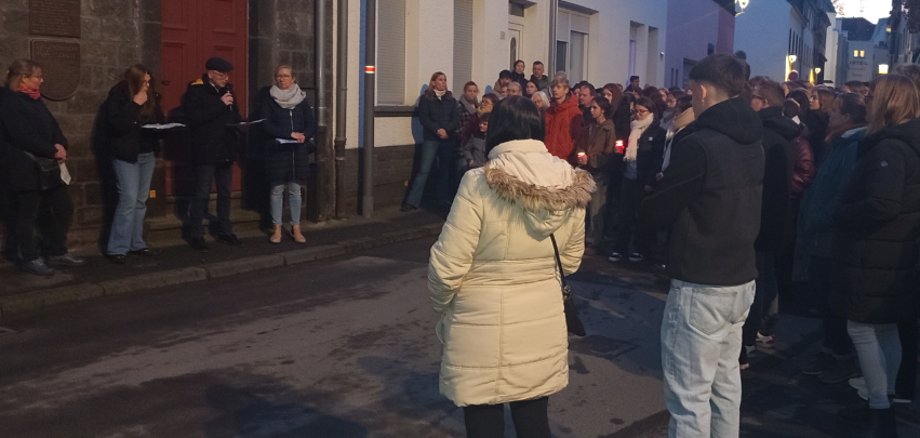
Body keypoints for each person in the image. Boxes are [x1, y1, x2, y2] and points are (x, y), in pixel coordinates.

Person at [428, 95, 594, 438]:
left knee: (483, 419)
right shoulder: (569, 181)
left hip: (481, 320)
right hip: (541, 317)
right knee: (534, 418)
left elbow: (447, 265)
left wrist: (443, 305)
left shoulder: (479, 182)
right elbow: (572, 260)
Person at [641, 54, 764, 437]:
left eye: (692, 90)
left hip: (702, 281)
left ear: (704, 90)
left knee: (690, 396)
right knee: (725, 387)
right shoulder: (754, 140)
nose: (690, 97)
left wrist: (659, 188)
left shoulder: (701, 143)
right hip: (740, 276)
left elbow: (658, 210)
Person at [830, 74, 920, 436]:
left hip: (878, 251)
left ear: (888, 103)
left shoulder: (891, 147)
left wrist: (842, 213)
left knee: (864, 328)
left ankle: (880, 408)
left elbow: (882, 204)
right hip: (896, 251)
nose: (867, 101)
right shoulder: (906, 142)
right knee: (884, 329)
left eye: (872, 97)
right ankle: (885, 401)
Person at [797, 92, 866, 383]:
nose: (830, 115)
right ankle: (831, 348)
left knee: (831, 298)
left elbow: (842, 193)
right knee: (822, 295)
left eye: (836, 111)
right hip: (820, 233)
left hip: (830, 236)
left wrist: (818, 218)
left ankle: (837, 354)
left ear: (849, 117)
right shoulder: (836, 143)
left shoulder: (852, 146)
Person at [0, 59, 86, 276]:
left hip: (46, 165)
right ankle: (29, 256)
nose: (41, 80)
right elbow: (21, 136)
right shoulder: (9, 102)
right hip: (24, 166)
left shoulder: (36, 100)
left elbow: (52, 125)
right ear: (23, 79)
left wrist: (60, 143)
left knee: (63, 206)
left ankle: (57, 249)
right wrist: (51, 150)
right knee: (27, 214)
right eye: (37, 76)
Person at [738, 79, 794, 370]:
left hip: (762, 219)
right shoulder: (780, 133)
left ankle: (748, 338)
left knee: (755, 281)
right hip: (774, 219)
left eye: (754, 98)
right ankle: (764, 326)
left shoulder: (764, 135)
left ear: (764, 103)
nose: (749, 102)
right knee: (765, 276)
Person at [102, 64, 165, 263]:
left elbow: (158, 119)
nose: (146, 85)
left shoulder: (150, 95)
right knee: (128, 199)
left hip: (146, 153)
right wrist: (135, 104)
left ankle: (136, 243)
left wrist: (161, 129)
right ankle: (117, 248)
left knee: (140, 200)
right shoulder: (119, 94)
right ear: (134, 81)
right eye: (143, 82)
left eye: (149, 82)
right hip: (126, 154)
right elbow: (117, 124)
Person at [182, 56, 242, 251]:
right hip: (206, 150)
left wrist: (240, 124)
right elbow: (194, 118)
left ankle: (225, 230)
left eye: (227, 75)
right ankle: (196, 232)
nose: (226, 78)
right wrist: (220, 104)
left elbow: (234, 114)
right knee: (202, 193)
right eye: (222, 75)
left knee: (225, 192)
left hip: (225, 148)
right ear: (211, 74)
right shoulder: (195, 91)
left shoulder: (228, 91)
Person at [260, 65, 316, 244]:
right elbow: (266, 125)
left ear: (293, 79)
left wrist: (304, 135)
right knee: (276, 190)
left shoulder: (302, 100)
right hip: (278, 150)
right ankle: (276, 228)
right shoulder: (269, 100)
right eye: (278, 76)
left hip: (297, 151)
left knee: (295, 190)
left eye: (285, 76)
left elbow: (311, 124)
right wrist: (288, 134)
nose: (281, 79)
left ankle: (296, 227)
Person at [610, 97, 665, 263]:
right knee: (625, 213)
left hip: (643, 177)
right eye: (636, 111)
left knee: (640, 214)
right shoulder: (631, 128)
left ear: (651, 112)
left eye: (642, 111)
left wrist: (650, 181)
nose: (638, 115)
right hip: (628, 175)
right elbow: (622, 147)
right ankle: (621, 247)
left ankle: (640, 248)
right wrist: (619, 152)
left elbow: (656, 158)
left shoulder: (657, 132)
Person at [403, 71, 459, 212]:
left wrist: (447, 130)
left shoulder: (451, 100)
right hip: (431, 138)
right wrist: (437, 130)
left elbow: (455, 119)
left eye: (445, 80)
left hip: (447, 139)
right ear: (433, 82)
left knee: (445, 170)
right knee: (424, 169)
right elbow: (424, 118)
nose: (443, 82)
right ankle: (412, 201)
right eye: (440, 79)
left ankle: (442, 199)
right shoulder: (426, 99)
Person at [576, 96, 617, 248]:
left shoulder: (609, 128)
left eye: (595, 108)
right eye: (591, 108)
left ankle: (595, 239)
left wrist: (591, 159)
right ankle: (586, 235)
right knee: (586, 206)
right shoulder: (590, 127)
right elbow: (581, 144)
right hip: (587, 170)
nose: (591, 110)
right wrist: (580, 155)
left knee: (596, 207)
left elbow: (609, 153)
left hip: (600, 172)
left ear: (603, 110)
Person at [544, 76, 584, 162]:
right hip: (548, 155)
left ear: (566, 90)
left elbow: (578, 137)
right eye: (553, 87)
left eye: (558, 87)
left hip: (565, 158)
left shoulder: (574, 111)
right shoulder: (549, 111)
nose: (554, 90)